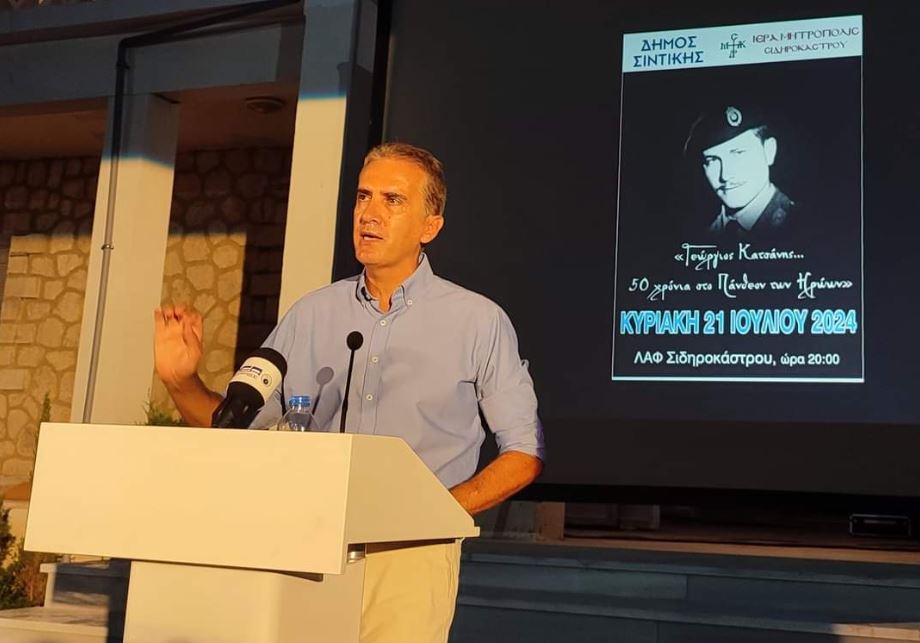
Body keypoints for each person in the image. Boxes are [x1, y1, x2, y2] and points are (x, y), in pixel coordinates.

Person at [153, 142, 545, 643]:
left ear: (430, 226)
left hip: (409, 555)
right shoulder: (312, 314)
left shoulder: (477, 321)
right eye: (363, 197)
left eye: (393, 200)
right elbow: (234, 429)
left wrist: (435, 510)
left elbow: (523, 453)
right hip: (307, 543)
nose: (369, 214)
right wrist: (180, 381)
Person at [684, 103, 796, 240]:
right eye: (712, 160)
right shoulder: (699, 234)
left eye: (738, 153)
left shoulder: (803, 225)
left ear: (769, 151)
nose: (725, 176)